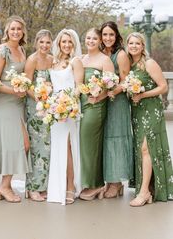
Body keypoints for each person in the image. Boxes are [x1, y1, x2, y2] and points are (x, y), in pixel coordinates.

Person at [126, 32, 173, 206]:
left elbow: (163, 87)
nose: (134, 46)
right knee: (142, 150)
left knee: (147, 148)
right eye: (131, 43)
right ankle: (150, 189)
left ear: (142, 46)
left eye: (137, 43)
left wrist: (143, 94)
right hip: (137, 113)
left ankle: (144, 192)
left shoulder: (149, 63)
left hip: (152, 110)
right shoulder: (130, 66)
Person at [0, 15, 30, 203]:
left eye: (19, 29)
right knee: (14, 143)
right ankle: (5, 186)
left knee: (23, 143)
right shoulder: (1, 51)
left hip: (18, 102)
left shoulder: (21, 49)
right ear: (7, 31)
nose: (15, 32)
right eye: (12, 29)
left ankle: (6, 184)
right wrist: (13, 91)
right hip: (4, 103)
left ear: (23, 32)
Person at [47, 29, 84, 205]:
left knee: (69, 147)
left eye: (70, 42)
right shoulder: (53, 62)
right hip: (55, 111)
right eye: (64, 42)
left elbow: (79, 86)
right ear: (59, 43)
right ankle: (57, 186)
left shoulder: (76, 61)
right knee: (58, 147)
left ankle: (70, 186)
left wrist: (69, 103)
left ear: (74, 44)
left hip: (69, 110)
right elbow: (51, 85)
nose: (67, 45)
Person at [79, 28, 114, 200]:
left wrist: (98, 97)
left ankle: (96, 184)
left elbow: (112, 86)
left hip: (96, 106)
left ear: (100, 41)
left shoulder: (104, 60)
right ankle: (87, 182)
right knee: (84, 144)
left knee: (90, 144)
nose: (91, 41)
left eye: (94, 38)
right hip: (81, 106)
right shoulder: (81, 59)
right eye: (88, 38)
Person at [100, 21, 133, 198]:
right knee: (105, 138)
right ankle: (109, 180)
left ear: (117, 36)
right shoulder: (100, 53)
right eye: (104, 34)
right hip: (101, 101)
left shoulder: (120, 55)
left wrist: (111, 91)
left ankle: (116, 182)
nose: (107, 38)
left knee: (115, 138)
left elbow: (126, 81)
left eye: (111, 34)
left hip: (117, 102)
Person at [25, 29, 53, 201]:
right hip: (35, 108)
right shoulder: (32, 60)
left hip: (50, 109)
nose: (45, 45)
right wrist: (37, 96)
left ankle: (43, 185)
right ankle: (32, 187)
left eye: (48, 42)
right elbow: (27, 84)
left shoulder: (52, 60)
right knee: (36, 148)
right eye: (41, 42)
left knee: (47, 148)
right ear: (36, 42)